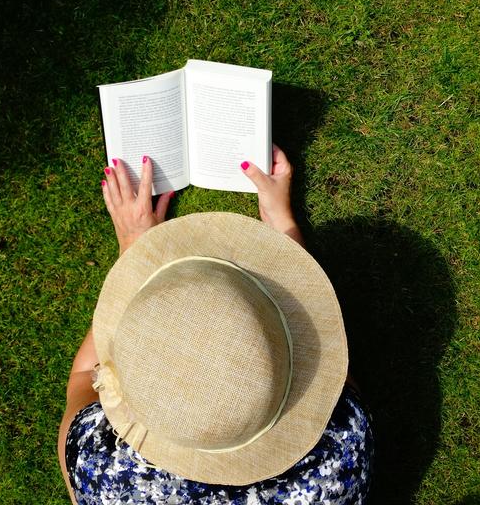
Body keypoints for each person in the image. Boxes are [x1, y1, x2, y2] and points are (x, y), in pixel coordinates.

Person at [57, 146, 374, 504]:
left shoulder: (104, 476)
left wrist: (132, 245)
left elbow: (83, 380)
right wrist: (281, 223)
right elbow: (332, 366)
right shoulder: (338, 462)